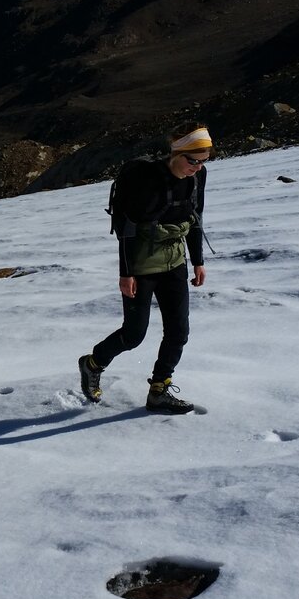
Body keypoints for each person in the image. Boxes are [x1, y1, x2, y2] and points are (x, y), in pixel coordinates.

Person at [78, 123, 212, 414]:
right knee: (134, 334)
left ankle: (159, 390)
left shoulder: (197, 179)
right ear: (177, 153)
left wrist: (198, 261)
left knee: (178, 332)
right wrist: (125, 273)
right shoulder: (146, 180)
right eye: (194, 161)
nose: (198, 168)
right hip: (140, 264)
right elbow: (126, 228)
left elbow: (194, 219)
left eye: (204, 161)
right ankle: (92, 363)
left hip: (174, 262)